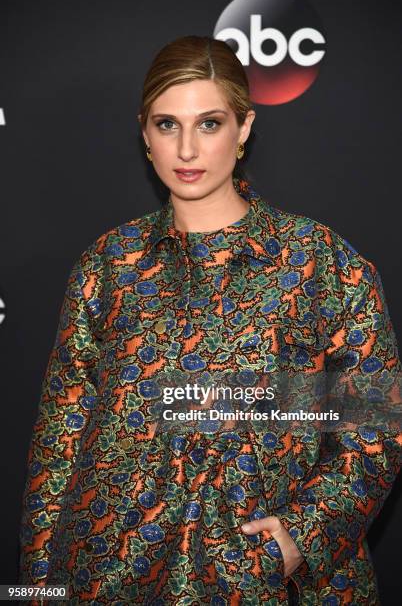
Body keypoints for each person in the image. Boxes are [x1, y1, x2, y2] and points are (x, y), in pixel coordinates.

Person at [18, 35, 401, 606]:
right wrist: (36, 592)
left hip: (262, 581)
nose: (188, 149)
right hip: (110, 573)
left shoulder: (319, 263)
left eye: (210, 123)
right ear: (145, 135)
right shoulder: (108, 263)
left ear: (243, 129)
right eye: (168, 125)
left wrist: (301, 536)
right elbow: (60, 438)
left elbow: (375, 426)